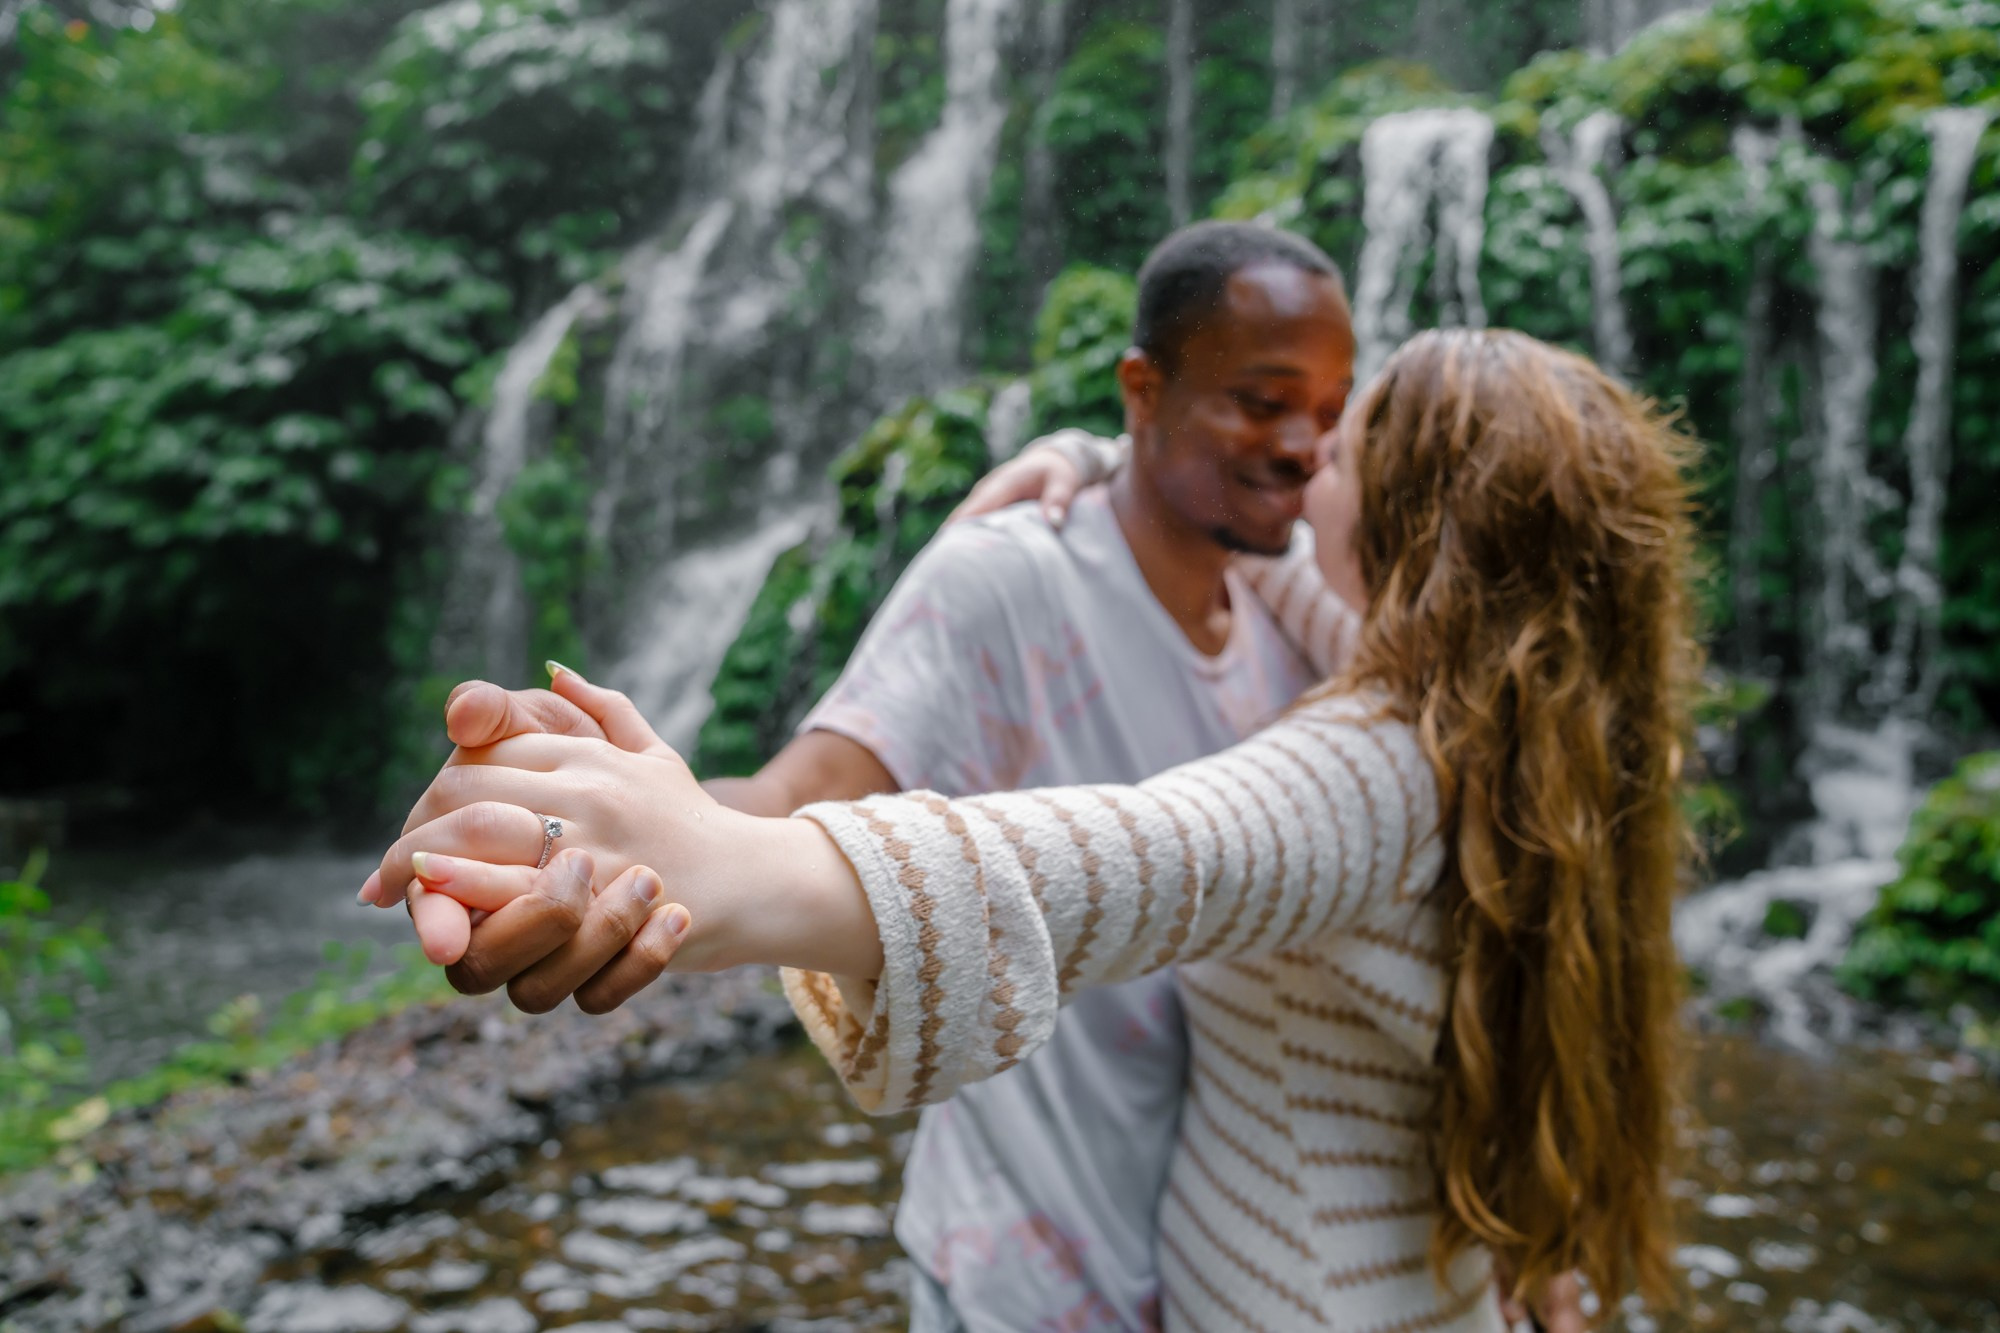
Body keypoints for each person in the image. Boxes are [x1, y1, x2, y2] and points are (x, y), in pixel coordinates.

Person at [370, 328, 1698, 1329]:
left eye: (1339, 448)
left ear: (1417, 522)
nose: (1304, 461)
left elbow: (1108, 859)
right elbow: (1293, 569)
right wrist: (1096, 461)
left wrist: (718, 862)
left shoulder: (1372, 766)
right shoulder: (1537, 736)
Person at [367, 220, 1359, 1330]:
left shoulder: (1298, 605)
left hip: (1242, 1265)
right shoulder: (1004, 581)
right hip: (1028, 1265)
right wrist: (607, 816)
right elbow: (802, 798)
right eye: (1262, 401)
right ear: (1143, 387)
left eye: (1326, 411)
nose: (1301, 444)